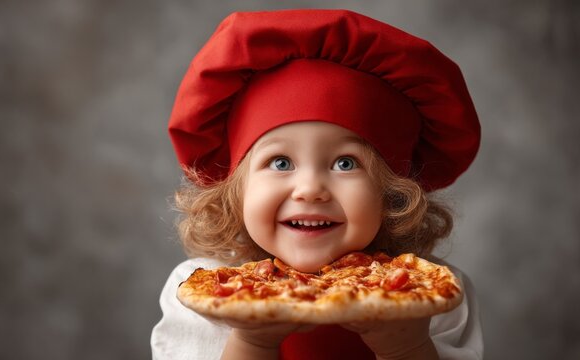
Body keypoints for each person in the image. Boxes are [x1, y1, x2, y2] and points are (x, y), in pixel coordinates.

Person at [152, 9, 483, 360]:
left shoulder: (434, 295)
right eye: (280, 162)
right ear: (236, 191)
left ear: (393, 195)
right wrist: (252, 341)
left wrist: (408, 345)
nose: (309, 188)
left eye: (345, 163)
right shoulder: (204, 291)